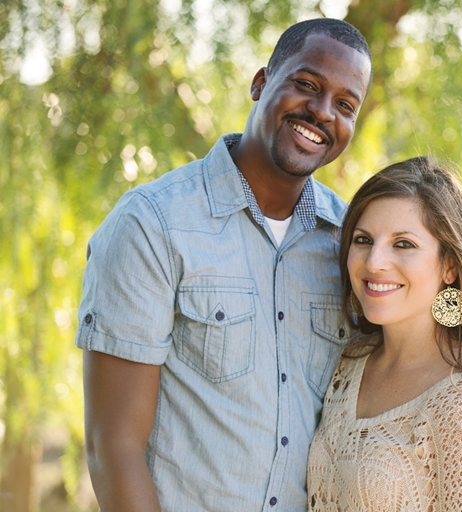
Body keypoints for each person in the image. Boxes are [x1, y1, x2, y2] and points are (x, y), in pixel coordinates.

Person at [75, 18, 372, 511]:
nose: (322, 112)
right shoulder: (154, 224)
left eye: (345, 105)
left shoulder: (351, 243)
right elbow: (113, 447)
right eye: (306, 85)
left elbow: (421, 346)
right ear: (260, 83)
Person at [307, 156, 462, 511]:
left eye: (403, 244)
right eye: (363, 239)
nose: (374, 262)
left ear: (450, 265)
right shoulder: (347, 361)